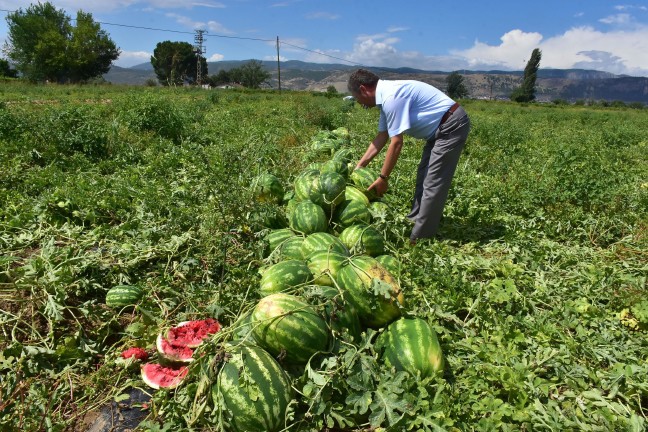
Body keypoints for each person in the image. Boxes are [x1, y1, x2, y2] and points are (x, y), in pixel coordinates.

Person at [347, 68, 471, 244]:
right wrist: (359, 167)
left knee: (433, 181)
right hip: (438, 129)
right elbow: (382, 137)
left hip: (451, 125)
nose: (360, 103)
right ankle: (414, 221)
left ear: (364, 89)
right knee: (424, 175)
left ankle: (420, 239)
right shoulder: (385, 101)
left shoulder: (391, 97)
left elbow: (396, 142)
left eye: (357, 98)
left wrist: (383, 178)